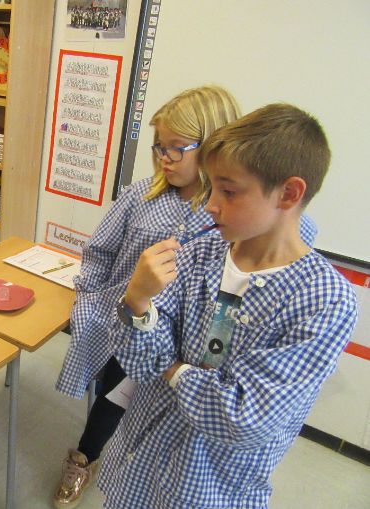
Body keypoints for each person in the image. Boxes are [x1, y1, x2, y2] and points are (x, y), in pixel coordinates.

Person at [53, 86, 317, 509]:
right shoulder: (155, 206)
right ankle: (87, 455)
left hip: (208, 459)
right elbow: (141, 341)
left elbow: (239, 413)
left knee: (170, 425)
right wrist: (124, 305)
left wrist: (171, 366)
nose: (165, 158)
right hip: (135, 331)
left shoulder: (301, 283)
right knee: (114, 401)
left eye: (177, 148)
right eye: (159, 147)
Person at [97, 103, 358, 509]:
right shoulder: (201, 252)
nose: (211, 204)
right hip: (138, 462)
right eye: (212, 187)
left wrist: (172, 366)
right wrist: (138, 299)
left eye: (229, 191)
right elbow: (139, 363)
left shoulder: (324, 301)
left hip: (210, 489)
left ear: (289, 193)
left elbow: (241, 417)